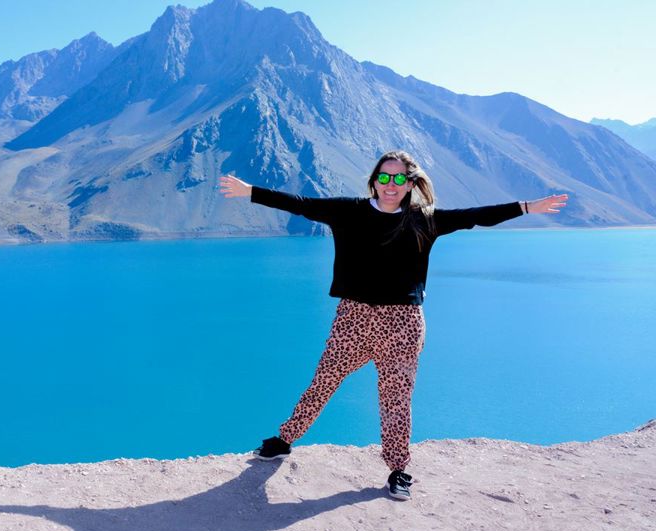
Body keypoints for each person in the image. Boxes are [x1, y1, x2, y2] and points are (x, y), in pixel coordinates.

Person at [218, 150, 568, 500]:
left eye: (399, 178)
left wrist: (525, 207)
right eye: (384, 177)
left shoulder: (424, 220)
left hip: (403, 322)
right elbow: (300, 203)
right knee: (324, 380)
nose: (390, 185)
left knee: (396, 399)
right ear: (373, 180)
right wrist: (250, 191)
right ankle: (284, 440)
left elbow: (475, 216)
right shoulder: (349, 211)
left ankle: (398, 470)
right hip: (353, 317)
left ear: (411, 184)